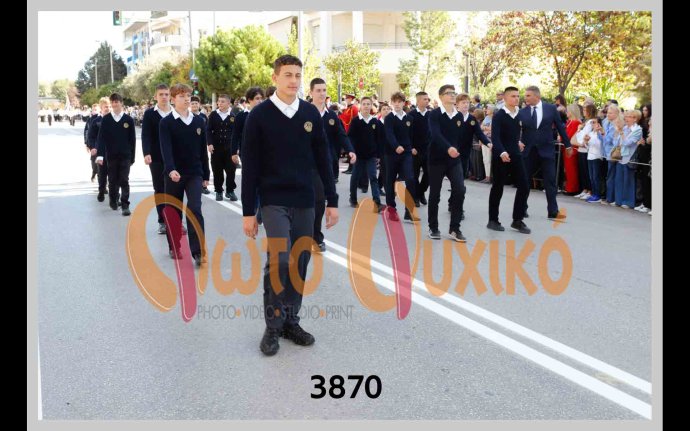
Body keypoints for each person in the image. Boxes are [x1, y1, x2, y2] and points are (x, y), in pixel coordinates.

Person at [241, 55, 339, 356]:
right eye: (287, 75)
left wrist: (333, 201)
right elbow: (250, 167)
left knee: (300, 261)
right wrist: (248, 212)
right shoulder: (259, 116)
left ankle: (290, 322)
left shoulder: (309, 113)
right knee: (280, 259)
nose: (294, 80)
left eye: (297, 75)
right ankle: (272, 327)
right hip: (273, 200)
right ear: (275, 78)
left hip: (305, 199)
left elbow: (324, 159)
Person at [159, 83, 210, 266]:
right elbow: (166, 149)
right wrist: (171, 169)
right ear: (173, 99)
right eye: (181, 96)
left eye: (188, 95)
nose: (186, 99)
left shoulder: (199, 121)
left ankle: (198, 251)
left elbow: (203, 150)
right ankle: (174, 246)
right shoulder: (166, 123)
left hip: (194, 173)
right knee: (174, 211)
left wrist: (206, 174)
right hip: (174, 174)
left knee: (195, 208)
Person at [309, 78, 355, 252]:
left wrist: (350, 150)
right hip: (305, 164)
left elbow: (341, 135)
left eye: (324, 90)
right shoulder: (303, 113)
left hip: (325, 165)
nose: (322, 94)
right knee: (303, 202)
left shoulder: (331, 116)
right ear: (311, 92)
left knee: (320, 201)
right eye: (318, 90)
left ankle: (316, 237)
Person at [518, 85, 571, 221]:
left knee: (550, 180)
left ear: (537, 96)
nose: (525, 98)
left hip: (547, 150)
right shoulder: (522, 112)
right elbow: (515, 129)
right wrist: (517, 141)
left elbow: (560, 127)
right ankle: (522, 208)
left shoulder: (551, 109)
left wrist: (568, 145)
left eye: (528, 95)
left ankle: (553, 211)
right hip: (528, 151)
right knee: (525, 180)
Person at [427, 85, 468, 242]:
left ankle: (455, 228)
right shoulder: (434, 114)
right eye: (448, 93)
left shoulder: (459, 116)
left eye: (453, 93)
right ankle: (433, 227)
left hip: (453, 160)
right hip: (436, 159)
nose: (452, 95)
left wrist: (456, 150)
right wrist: (448, 147)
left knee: (460, 189)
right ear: (440, 96)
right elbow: (435, 134)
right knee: (435, 194)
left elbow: (461, 138)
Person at [487, 87, 530, 234]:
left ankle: (517, 220)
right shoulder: (499, 115)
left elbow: (513, 134)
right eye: (513, 96)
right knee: (498, 187)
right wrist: (502, 151)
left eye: (517, 96)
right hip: (501, 156)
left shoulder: (519, 114)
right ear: (505, 98)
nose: (516, 98)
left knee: (524, 186)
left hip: (516, 155)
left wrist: (517, 141)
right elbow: (496, 137)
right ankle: (493, 220)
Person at [95, 93, 136, 216]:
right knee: (112, 180)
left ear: (121, 103)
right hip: (111, 155)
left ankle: (125, 205)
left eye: (117, 101)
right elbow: (101, 138)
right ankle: (113, 200)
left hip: (125, 155)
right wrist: (100, 155)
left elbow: (132, 140)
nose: (114, 104)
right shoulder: (106, 119)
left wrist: (132, 157)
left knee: (124, 179)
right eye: (112, 102)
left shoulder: (128, 120)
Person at [142, 84, 174, 235]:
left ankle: (175, 221)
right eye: (161, 94)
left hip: (174, 157)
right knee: (160, 189)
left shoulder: (176, 112)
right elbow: (145, 135)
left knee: (174, 190)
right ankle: (162, 221)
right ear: (155, 96)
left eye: (166, 94)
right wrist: (146, 152)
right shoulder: (150, 114)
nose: (164, 97)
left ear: (170, 96)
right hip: (156, 157)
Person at [383, 91, 419, 223]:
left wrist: (413, 146)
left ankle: (409, 211)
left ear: (404, 103)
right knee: (390, 181)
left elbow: (412, 135)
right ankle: (391, 209)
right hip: (391, 153)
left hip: (406, 153)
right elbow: (389, 134)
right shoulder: (389, 118)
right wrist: (396, 146)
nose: (397, 104)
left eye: (400, 102)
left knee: (410, 179)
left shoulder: (409, 119)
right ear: (392, 103)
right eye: (395, 102)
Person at [347, 96, 383, 213]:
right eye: (364, 104)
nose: (366, 106)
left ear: (371, 106)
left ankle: (377, 202)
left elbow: (378, 139)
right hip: (358, 155)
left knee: (373, 177)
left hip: (371, 156)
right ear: (360, 106)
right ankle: (353, 199)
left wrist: (378, 155)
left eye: (368, 104)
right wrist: (351, 152)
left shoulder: (375, 121)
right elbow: (350, 137)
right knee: (355, 176)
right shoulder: (355, 121)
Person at [206, 94, 238, 202]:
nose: (220, 103)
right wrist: (210, 143)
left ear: (229, 103)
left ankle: (230, 191)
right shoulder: (213, 115)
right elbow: (208, 130)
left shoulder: (233, 116)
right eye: (219, 101)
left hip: (230, 148)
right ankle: (219, 191)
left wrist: (236, 148)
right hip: (216, 148)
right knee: (217, 170)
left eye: (222, 101)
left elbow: (236, 133)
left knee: (231, 170)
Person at [408, 92, 431, 206]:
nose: (427, 101)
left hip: (428, 150)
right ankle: (415, 197)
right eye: (424, 99)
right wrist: (411, 147)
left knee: (429, 174)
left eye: (428, 99)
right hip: (415, 151)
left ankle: (421, 192)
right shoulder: (411, 115)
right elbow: (407, 133)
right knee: (414, 175)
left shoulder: (431, 114)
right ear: (418, 101)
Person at [87, 98, 111, 203]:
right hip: (99, 151)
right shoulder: (96, 121)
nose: (108, 108)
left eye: (109, 106)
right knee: (102, 172)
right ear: (101, 108)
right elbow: (91, 136)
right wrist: (92, 147)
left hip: (112, 151)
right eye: (106, 107)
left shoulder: (115, 119)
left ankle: (114, 196)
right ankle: (102, 190)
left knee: (113, 173)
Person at [190, 95, 211, 195]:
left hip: (202, 144)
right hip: (191, 145)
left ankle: (204, 185)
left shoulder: (203, 117)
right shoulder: (187, 116)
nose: (194, 105)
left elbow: (208, 130)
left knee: (204, 162)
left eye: (196, 103)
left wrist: (209, 142)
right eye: (192, 103)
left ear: (199, 105)